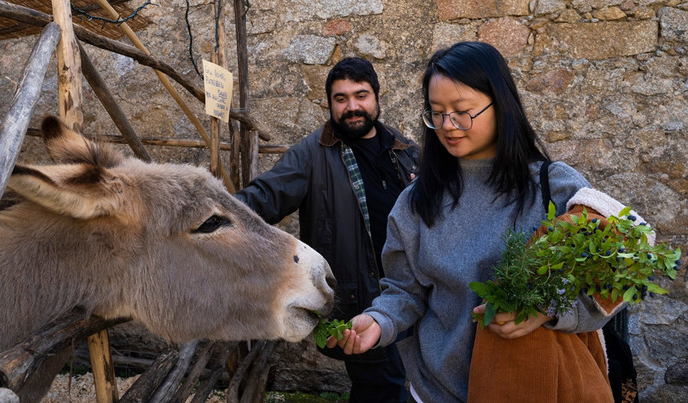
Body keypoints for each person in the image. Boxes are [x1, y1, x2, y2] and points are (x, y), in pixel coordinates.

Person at [328, 42, 620, 402]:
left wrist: (548, 311)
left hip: (539, 386)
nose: (447, 126)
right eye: (436, 113)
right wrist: (378, 321)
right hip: (438, 391)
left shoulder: (555, 187)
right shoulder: (417, 202)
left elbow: (613, 276)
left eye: (462, 112)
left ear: (500, 104)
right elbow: (405, 291)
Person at [235, 57, 419, 403]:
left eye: (360, 95)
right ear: (329, 103)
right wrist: (217, 216)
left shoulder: (403, 149)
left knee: (395, 386)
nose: (352, 106)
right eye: (341, 98)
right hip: (362, 302)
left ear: (377, 97)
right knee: (383, 386)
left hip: (407, 296)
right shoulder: (312, 153)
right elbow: (265, 195)